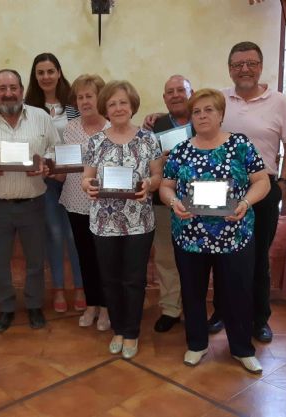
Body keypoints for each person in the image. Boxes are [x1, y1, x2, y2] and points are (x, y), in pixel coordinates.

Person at [160, 88, 270, 372]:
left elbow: (262, 182)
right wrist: (173, 202)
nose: (202, 115)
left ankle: (242, 348)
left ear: (221, 114)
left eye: (209, 109)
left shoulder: (240, 145)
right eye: (196, 111)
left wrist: (245, 202)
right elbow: (166, 186)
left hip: (234, 234)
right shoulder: (182, 150)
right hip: (190, 236)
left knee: (237, 292)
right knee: (193, 292)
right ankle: (196, 345)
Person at [207, 41, 286, 342]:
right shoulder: (220, 99)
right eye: (237, 64)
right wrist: (158, 117)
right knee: (221, 254)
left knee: (258, 257)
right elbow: (195, 121)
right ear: (229, 68)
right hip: (222, 190)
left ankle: (259, 318)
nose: (244, 69)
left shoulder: (279, 102)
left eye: (250, 63)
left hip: (264, 189)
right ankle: (221, 312)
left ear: (260, 66)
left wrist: (284, 182)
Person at [0, 69, 59, 333]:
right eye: (2, 88)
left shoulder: (41, 118)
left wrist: (46, 163)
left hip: (33, 203)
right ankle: (5, 308)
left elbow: (56, 148)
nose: (8, 93)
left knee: (34, 260)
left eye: (13, 87)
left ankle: (34, 305)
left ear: (21, 89)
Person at [82, 80, 162, 359]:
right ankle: (118, 328)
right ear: (105, 108)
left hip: (139, 220)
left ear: (132, 106)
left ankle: (132, 333)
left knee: (133, 279)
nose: (118, 108)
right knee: (110, 278)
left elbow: (157, 176)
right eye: (112, 103)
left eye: (123, 103)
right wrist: (87, 186)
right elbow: (86, 178)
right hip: (104, 222)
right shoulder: (95, 142)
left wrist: (149, 185)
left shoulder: (148, 139)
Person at [25, 53, 84, 313]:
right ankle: (59, 289)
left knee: (74, 235)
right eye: (41, 72)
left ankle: (81, 287)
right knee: (55, 233)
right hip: (46, 179)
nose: (46, 77)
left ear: (59, 72)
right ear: (35, 77)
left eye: (51, 71)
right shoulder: (29, 107)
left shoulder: (74, 103)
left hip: (74, 177)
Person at [59, 74, 110, 330]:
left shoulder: (112, 128)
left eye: (89, 95)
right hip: (75, 201)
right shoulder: (69, 128)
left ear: (100, 98)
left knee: (106, 258)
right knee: (85, 256)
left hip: (106, 205)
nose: (85, 101)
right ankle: (92, 304)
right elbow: (64, 165)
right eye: (80, 97)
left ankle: (107, 307)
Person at [150, 75, 194, 333]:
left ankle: (194, 307)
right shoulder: (155, 126)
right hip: (163, 203)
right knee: (166, 258)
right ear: (164, 98)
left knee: (196, 259)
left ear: (192, 93)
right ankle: (170, 308)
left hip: (199, 203)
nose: (176, 95)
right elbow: (146, 163)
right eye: (170, 92)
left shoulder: (204, 121)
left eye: (181, 90)